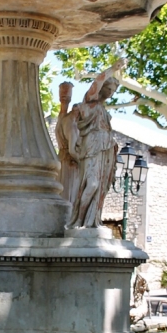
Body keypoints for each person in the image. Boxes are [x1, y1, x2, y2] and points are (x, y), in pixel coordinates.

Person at [67, 65, 121, 229]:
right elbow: (95, 84)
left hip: (105, 149)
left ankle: (92, 221)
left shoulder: (103, 109)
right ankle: (79, 220)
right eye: (108, 88)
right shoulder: (89, 101)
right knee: (92, 184)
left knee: (101, 187)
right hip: (91, 147)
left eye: (113, 90)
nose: (111, 93)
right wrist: (113, 69)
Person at [55, 82, 78, 211]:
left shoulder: (68, 119)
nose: (63, 96)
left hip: (67, 161)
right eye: (62, 93)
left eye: (66, 93)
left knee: (68, 193)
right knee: (66, 192)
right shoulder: (65, 118)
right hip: (66, 160)